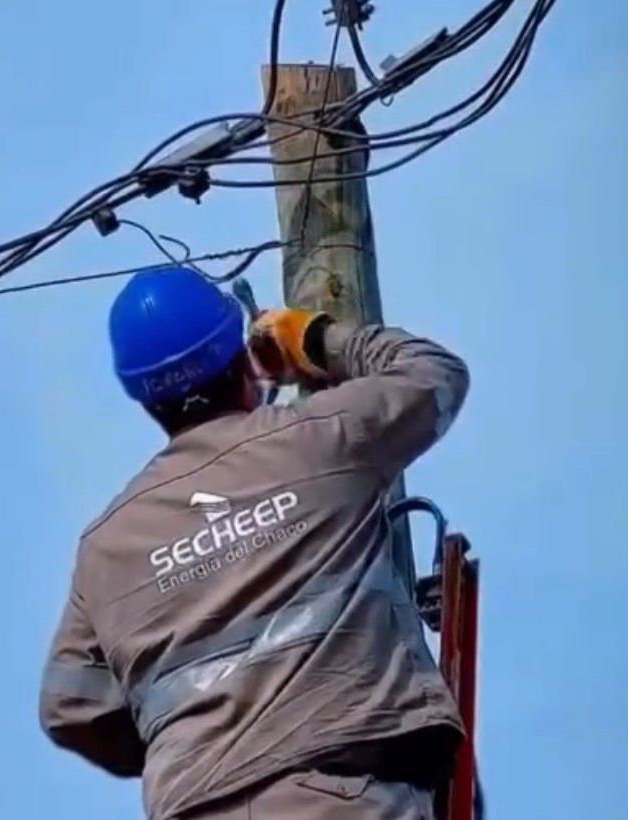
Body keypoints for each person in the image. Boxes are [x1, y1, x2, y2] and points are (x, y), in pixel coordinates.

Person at [38, 266, 470, 820]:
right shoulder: (317, 440)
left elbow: (70, 703)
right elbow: (435, 374)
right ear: (242, 359)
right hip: (340, 799)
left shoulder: (106, 545)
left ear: (144, 400)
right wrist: (314, 338)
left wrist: (194, 738)